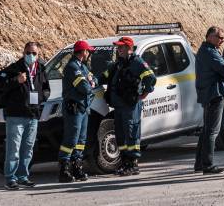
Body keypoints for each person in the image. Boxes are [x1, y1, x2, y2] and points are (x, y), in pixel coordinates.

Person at [0, 42, 50, 190]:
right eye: (28, 53)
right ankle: (10, 178)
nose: (31, 56)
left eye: (34, 53)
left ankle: (23, 176)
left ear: (38, 55)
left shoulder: (41, 69)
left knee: (28, 148)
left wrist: (42, 98)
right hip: (16, 115)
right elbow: (1, 85)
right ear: (23, 52)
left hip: (33, 115)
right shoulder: (14, 68)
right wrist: (16, 81)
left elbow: (46, 88)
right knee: (13, 148)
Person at [104, 36, 156, 176]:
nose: (118, 49)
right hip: (119, 106)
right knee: (121, 135)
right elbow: (106, 76)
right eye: (118, 47)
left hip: (130, 106)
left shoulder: (137, 62)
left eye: (121, 47)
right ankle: (125, 162)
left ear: (129, 48)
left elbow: (151, 78)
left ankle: (133, 164)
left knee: (131, 133)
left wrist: (144, 94)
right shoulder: (119, 63)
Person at [194, 26, 224, 174]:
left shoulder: (207, 51)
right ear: (210, 37)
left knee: (206, 131)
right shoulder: (210, 52)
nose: (222, 40)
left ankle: (200, 164)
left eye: (223, 38)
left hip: (209, 94)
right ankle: (208, 165)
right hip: (214, 94)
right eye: (220, 37)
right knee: (212, 131)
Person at [57, 40, 96, 183]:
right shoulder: (72, 67)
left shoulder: (82, 67)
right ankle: (64, 169)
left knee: (80, 140)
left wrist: (91, 81)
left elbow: (94, 79)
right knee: (71, 139)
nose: (88, 54)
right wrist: (90, 82)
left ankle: (77, 166)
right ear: (83, 52)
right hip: (74, 109)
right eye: (88, 51)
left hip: (83, 109)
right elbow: (84, 88)